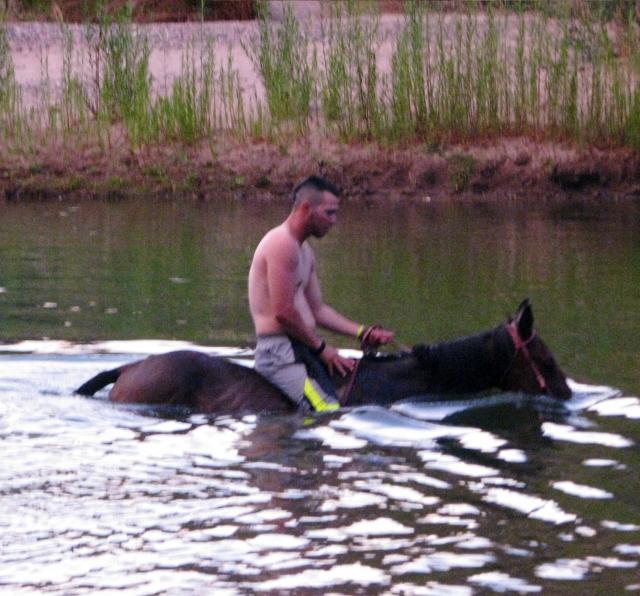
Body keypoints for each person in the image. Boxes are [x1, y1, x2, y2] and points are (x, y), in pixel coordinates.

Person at [248, 175, 394, 412]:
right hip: (280, 354)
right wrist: (322, 349)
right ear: (306, 208)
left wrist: (362, 332)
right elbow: (283, 312)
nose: (334, 221)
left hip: (302, 348)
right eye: (329, 213)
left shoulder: (303, 251)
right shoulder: (281, 244)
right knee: (327, 411)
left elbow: (317, 310)